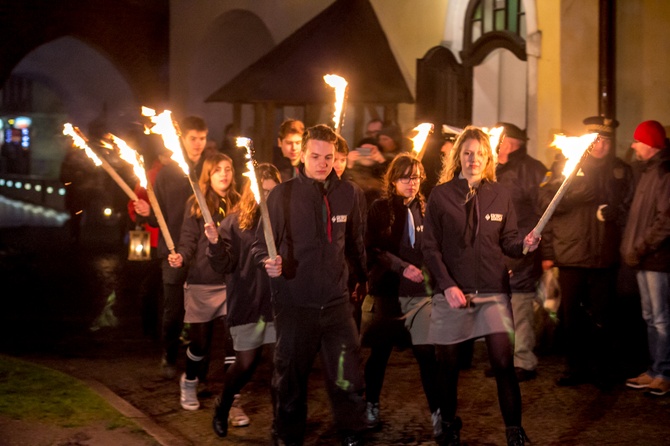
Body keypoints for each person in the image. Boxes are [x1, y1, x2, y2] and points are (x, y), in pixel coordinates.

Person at [423, 126, 540, 446]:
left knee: (504, 364)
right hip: (452, 294)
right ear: (458, 156)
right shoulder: (441, 195)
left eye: (480, 153)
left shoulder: (500, 194)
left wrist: (526, 243)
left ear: (489, 157)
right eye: (467, 153)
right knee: (447, 366)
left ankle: (514, 431)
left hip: (493, 292)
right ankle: (448, 425)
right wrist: (446, 285)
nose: (473, 159)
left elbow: (510, 242)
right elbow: (430, 248)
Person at [252, 124, 368, 446]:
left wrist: (361, 280)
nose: (322, 163)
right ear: (302, 155)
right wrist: (267, 261)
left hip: (335, 304)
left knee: (348, 377)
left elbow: (357, 244)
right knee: (290, 379)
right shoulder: (282, 194)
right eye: (315, 156)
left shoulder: (350, 194)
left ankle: (353, 435)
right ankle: (287, 437)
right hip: (294, 304)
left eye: (329, 157)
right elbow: (260, 244)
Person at [540, 116, 634, 389]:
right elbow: (544, 202)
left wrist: (617, 212)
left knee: (603, 316)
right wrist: (570, 197)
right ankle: (574, 367)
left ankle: (602, 369)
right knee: (573, 317)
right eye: (596, 139)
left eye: (606, 140)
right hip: (572, 253)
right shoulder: (564, 165)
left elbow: (631, 205)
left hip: (604, 255)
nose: (601, 145)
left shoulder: (621, 170)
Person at [360, 153, 441, 438]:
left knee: (426, 352)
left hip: (419, 294)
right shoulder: (380, 209)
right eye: (406, 177)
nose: (412, 183)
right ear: (393, 180)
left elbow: (433, 247)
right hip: (388, 292)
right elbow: (373, 249)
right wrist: (401, 267)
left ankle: (438, 413)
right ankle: (371, 404)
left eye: (417, 177)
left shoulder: (425, 207)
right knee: (380, 354)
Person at [206, 163, 280, 437]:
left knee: (279, 364)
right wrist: (214, 244)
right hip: (248, 301)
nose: (269, 197)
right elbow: (223, 264)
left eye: (274, 191)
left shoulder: (283, 221)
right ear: (252, 191)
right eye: (264, 191)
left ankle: (279, 424)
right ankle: (222, 406)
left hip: (277, 304)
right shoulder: (235, 222)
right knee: (246, 364)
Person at [133, 115, 209, 379]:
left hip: (204, 252)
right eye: (193, 138)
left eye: (202, 138)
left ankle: (200, 363)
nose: (198, 144)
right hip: (173, 249)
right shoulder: (167, 173)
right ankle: (169, 354)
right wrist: (146, 212)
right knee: (173, 309)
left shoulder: (210, 169)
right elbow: (159, 215)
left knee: (202, 310)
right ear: (182, 139)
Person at [166, 152, 241, 411]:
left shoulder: (240, 203)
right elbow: (187, 239)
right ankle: (189, 381)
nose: (224, 173)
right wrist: (180, 257)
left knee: (235, 344)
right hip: (203, 282)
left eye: (228, 168)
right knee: (200, 344)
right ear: (208, 175)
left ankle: (233, 399)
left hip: (232, 283)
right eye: (217, 169)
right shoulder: (197, 203)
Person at [491, 122, 548, 382]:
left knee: (519, 304)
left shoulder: (531, 170)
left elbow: (545, 212)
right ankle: (503, 358)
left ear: (509, 143)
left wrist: (546, 251)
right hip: (494, 249)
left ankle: (523, 360)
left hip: (520, 247)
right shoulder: (492, 167)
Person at [621, 120, 670, 396]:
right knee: (651, 316)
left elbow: (666, 219)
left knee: (661, 318)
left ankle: (664, 372)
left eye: (638, 141)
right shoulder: (649, 171)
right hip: (643, 258)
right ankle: (655, 369)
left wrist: (640, 247)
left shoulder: (663, 172)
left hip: (656, 259)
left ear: (650, 144)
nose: (633, 145)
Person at [334, 134, 368, 330]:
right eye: (334, 158)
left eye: (343, 159)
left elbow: (358, 237)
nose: (339, 164)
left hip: (348, 271)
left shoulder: (354, 192)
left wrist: (361, 277)